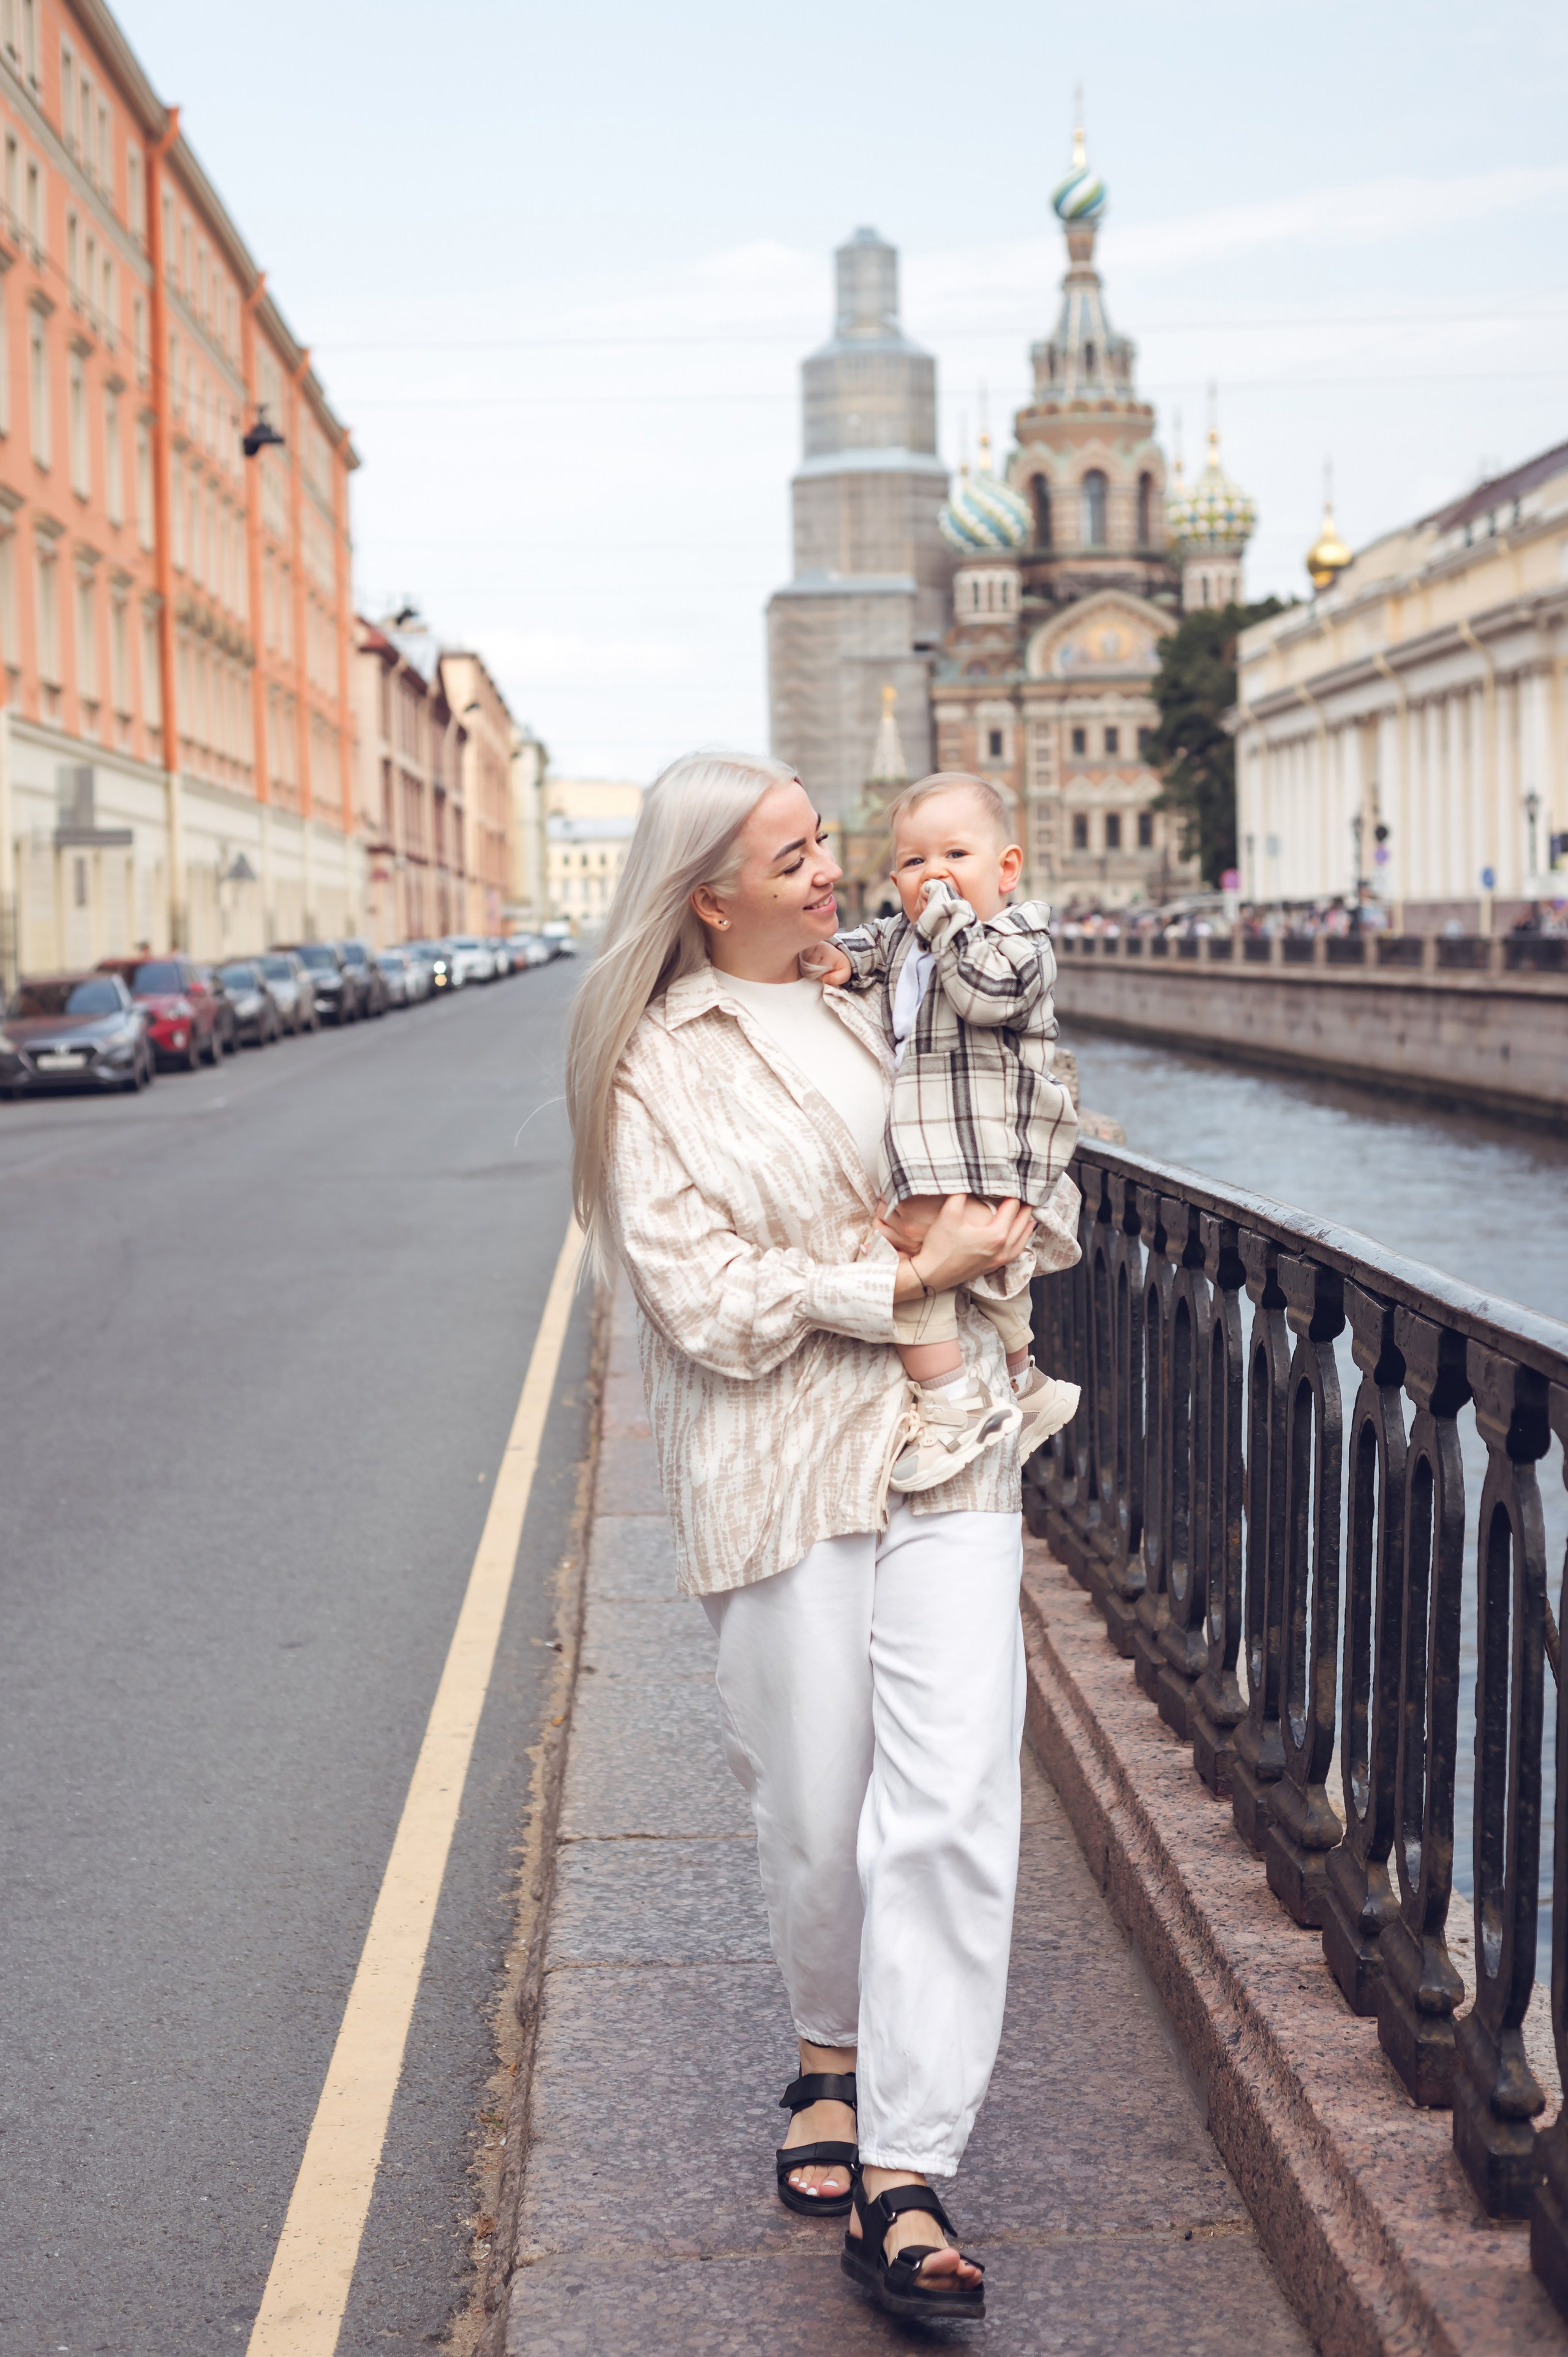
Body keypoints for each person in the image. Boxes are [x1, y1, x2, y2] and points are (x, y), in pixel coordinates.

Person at [565, 749, 1081, 2323]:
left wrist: (988, 1243)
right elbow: (705, 1301)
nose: (831, 871)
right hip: (779, 1460)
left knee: (951, 1801)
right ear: (709, 897)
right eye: (790, 857)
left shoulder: (894, 994)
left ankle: (903, 2166)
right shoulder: (655, 1064)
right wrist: (898, 1279)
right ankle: (827, 2056)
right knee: (817, 1805)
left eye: (824, 844)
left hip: (949, 1437)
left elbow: (1020, 1141)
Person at [805, 772, 1080, 1492]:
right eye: (914, 861)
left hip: (988, 1140)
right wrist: (844, 958)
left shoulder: (1019, 940)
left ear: (1006, 869)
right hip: (936, 1144)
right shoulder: (907, 938)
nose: (934, 875)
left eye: (955, 855)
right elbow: (873, 942)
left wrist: (947, 919)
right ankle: (1024, 1382)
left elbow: (983, 994)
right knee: (983, 1269)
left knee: (905, 1257)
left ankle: (953, 1405)